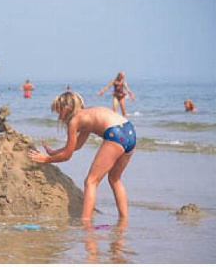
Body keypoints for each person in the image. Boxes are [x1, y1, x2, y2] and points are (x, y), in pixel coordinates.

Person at [28, 91, 136, 222]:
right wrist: (54, 152)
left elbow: (67, 155)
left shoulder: (74, 121)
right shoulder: (87, 114)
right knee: (115, 179)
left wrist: (46, 159)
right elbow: (77, 145)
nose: (58, 116)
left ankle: (86, 223)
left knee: (91, 182)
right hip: (130, 131)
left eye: (58, 111)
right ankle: (124, 220)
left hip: (115, 134)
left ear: (66, 108)